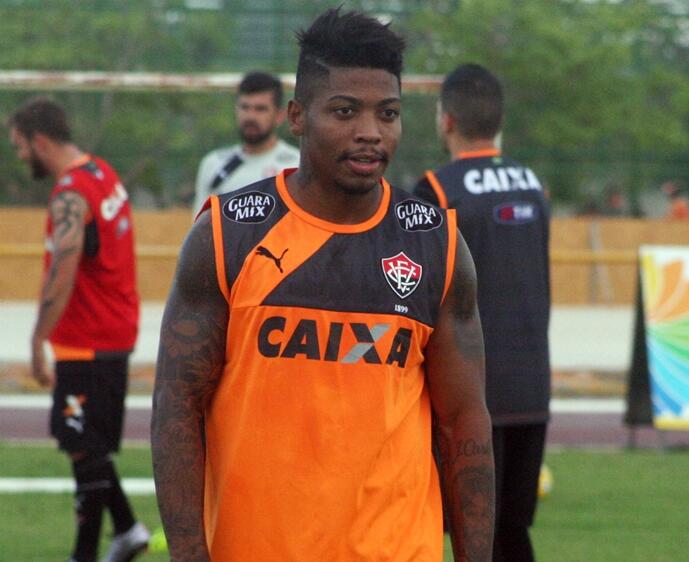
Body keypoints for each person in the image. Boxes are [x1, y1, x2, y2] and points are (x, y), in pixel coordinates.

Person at [151, 8, 494, 562]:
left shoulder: (437, 244)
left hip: (398, 547)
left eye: (388, 113)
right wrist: (190, 554)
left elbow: (464, 422)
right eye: (344, 111)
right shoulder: (226, 235)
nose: (369, 132)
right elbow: (176, 406)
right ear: (297, 116)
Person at [413, 63, 551, 562]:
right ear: (499, 120)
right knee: (510, 530)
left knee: (457, 531)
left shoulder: (436, 189)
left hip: (469, 392)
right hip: (533, 386)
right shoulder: (532, 185)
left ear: (446, 120)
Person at [8, 97, 149, 562]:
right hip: (112, 332)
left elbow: (63, 269)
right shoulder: (101, 173)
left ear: (40, 140)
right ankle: (125, 531)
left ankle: (87, 553)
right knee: (87, 445)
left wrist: (36, 341)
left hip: (88, 341)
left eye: (20, 146)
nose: (20, 156)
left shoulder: (71, 193)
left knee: (77, 440)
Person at [191, 71, 299, 216]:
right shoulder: (213, 164)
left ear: (279, 115)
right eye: (244, 107)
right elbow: (201, 227)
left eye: (260, 109)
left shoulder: (296, 165)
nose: (250, 116)